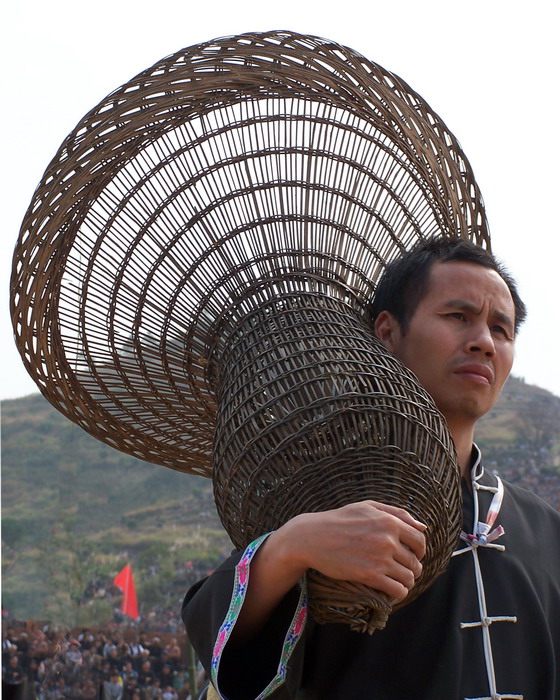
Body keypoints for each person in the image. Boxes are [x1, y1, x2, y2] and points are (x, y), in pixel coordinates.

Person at [182, 237, 560, 699]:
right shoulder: (324, 507)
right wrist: (288, 549)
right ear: (387, 332)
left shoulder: (547, 532)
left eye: (501, 329)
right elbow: (229, 655)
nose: (483, 342)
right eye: (458, 317)